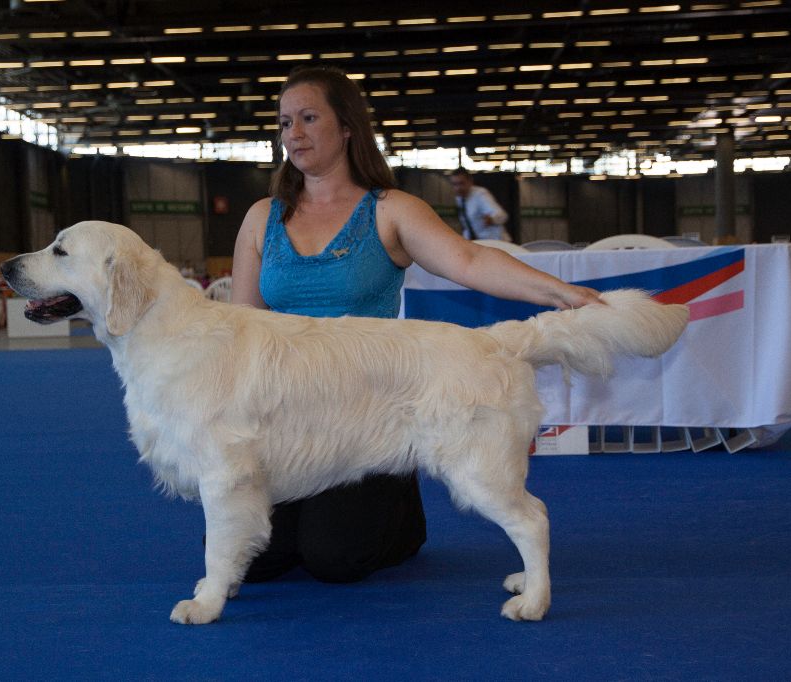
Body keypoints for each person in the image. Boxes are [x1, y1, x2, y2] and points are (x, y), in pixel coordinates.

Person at [231, 65, 602, 585]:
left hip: (372, 416)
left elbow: (470, 261)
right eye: (285, 121)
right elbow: (242, 325)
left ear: (346, 128)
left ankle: (400, 512)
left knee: (334, 559)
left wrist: (561, 293)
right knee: (256, 560)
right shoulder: (260, 216)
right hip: (284, 418)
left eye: (309, 118)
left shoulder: (390, 210)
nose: (294, 133)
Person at [448, 167, 511, 242]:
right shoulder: (460, 199)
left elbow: (502, 215)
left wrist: (491, 219)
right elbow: (468, 227)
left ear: (470, 181)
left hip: (496, 242)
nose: (458, 188)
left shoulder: (480, 194)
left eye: (461, 183)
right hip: (479, 243)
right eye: (455, 184)